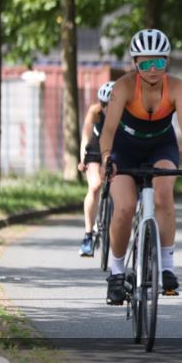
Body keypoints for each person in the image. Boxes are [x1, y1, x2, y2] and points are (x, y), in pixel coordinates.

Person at [98, 29, 182, 305]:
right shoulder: (124, 87)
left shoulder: (178, 88)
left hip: (161, 146)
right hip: (123, 148)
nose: (153, 69)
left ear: (167, 62)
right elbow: (107, 130)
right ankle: (117, 273)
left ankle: (166, 266)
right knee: (126, 207)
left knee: (164, 194)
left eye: (159, 63)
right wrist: (106, 156)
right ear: (134, 63)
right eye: (145, 63)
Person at [78, 81, 114, 256]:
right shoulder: (94, 111)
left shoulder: (126, 113)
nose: (107, 108)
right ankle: (88, 235)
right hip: (95, 149)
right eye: (104, 104)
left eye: (111, 104)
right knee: (95, 186)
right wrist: (82, 159)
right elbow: (85, 136)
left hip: (116, 149)